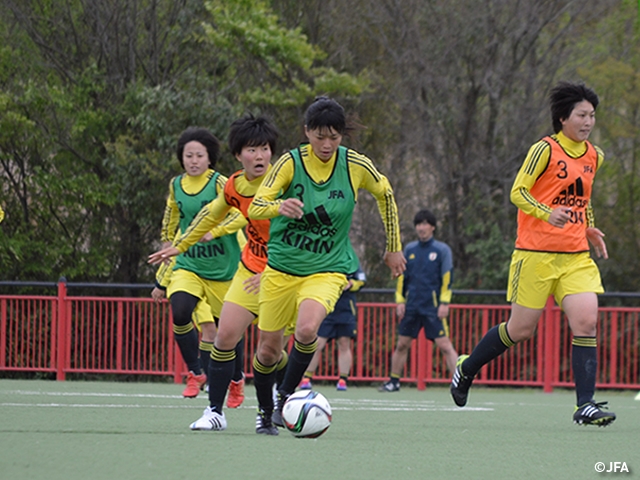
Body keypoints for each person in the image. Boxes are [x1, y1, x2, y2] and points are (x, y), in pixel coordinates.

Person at [450, 81, 616, 427]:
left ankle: (585, 405)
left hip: (575, 255)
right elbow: (518, 192)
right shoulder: (544, 150)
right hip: (534, 254)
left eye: (592, 115)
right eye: (581, 115)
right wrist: (546, 212)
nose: (588, 122)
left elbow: (583, 200)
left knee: (587, 321)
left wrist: (588, 227)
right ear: (563, 118)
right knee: (520, 329)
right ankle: (467, 367)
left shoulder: (594, 155)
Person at [247, 95, 406, 433]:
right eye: (320, 136)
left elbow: (386, 194)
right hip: (281, 269)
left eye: (334, 137)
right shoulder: (289, 163)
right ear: (307, 131)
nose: (327, 144)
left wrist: (394, 247)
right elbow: (257, 205)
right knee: (268, 352)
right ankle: (264, 411)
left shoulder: (354, 165)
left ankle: (284, 398)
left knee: (307, 330)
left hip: (327, 269)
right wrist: (279, 207)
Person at [149, 114, 290, 433]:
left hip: (283, 273)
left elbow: (300, 235)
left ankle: (274, 405)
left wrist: (274, 272)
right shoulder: (234, 185)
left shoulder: (286, 183)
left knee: (270, 351)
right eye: (251, 149)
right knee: (224, 337)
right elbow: (210, 214)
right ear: (238, 154)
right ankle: (214, 412)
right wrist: (179, 245)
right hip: (248, 269)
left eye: (265, 149)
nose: (259, 156)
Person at [159, 127, 245, 399]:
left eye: (199, 155)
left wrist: (216, 231)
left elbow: (241, 215)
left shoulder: (221, 183)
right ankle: (196, 372)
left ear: (210, 158)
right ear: (181, 158)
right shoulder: (176, 185)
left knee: (228, 331)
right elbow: (172, 215)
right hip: (189, 264)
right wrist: (166, 242)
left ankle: (236, 379)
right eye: (188, 156)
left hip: (222, 269)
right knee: (180, 311)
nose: (193, 161)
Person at [379, 209, 457, 392]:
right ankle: (393, 381)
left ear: (433, 227)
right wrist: (400, 301)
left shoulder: (442, 250)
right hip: (412, 306)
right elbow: (401, 277)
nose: (421, 228)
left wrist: (444, 303)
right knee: (402, 344)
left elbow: (447, 277)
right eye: (419, 224)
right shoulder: (410, 249)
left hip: (433, 307)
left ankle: (458, 383)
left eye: (425, 224)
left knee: (445, 346)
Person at [299, 263, 366, 392]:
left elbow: (362, 281)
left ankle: (343, 380)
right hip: (327, 307)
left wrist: (351, 284)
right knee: (318, 344)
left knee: (344, 343)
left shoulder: (352, 261)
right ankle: (307, 378)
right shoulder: (325, 259)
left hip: (346, 309)